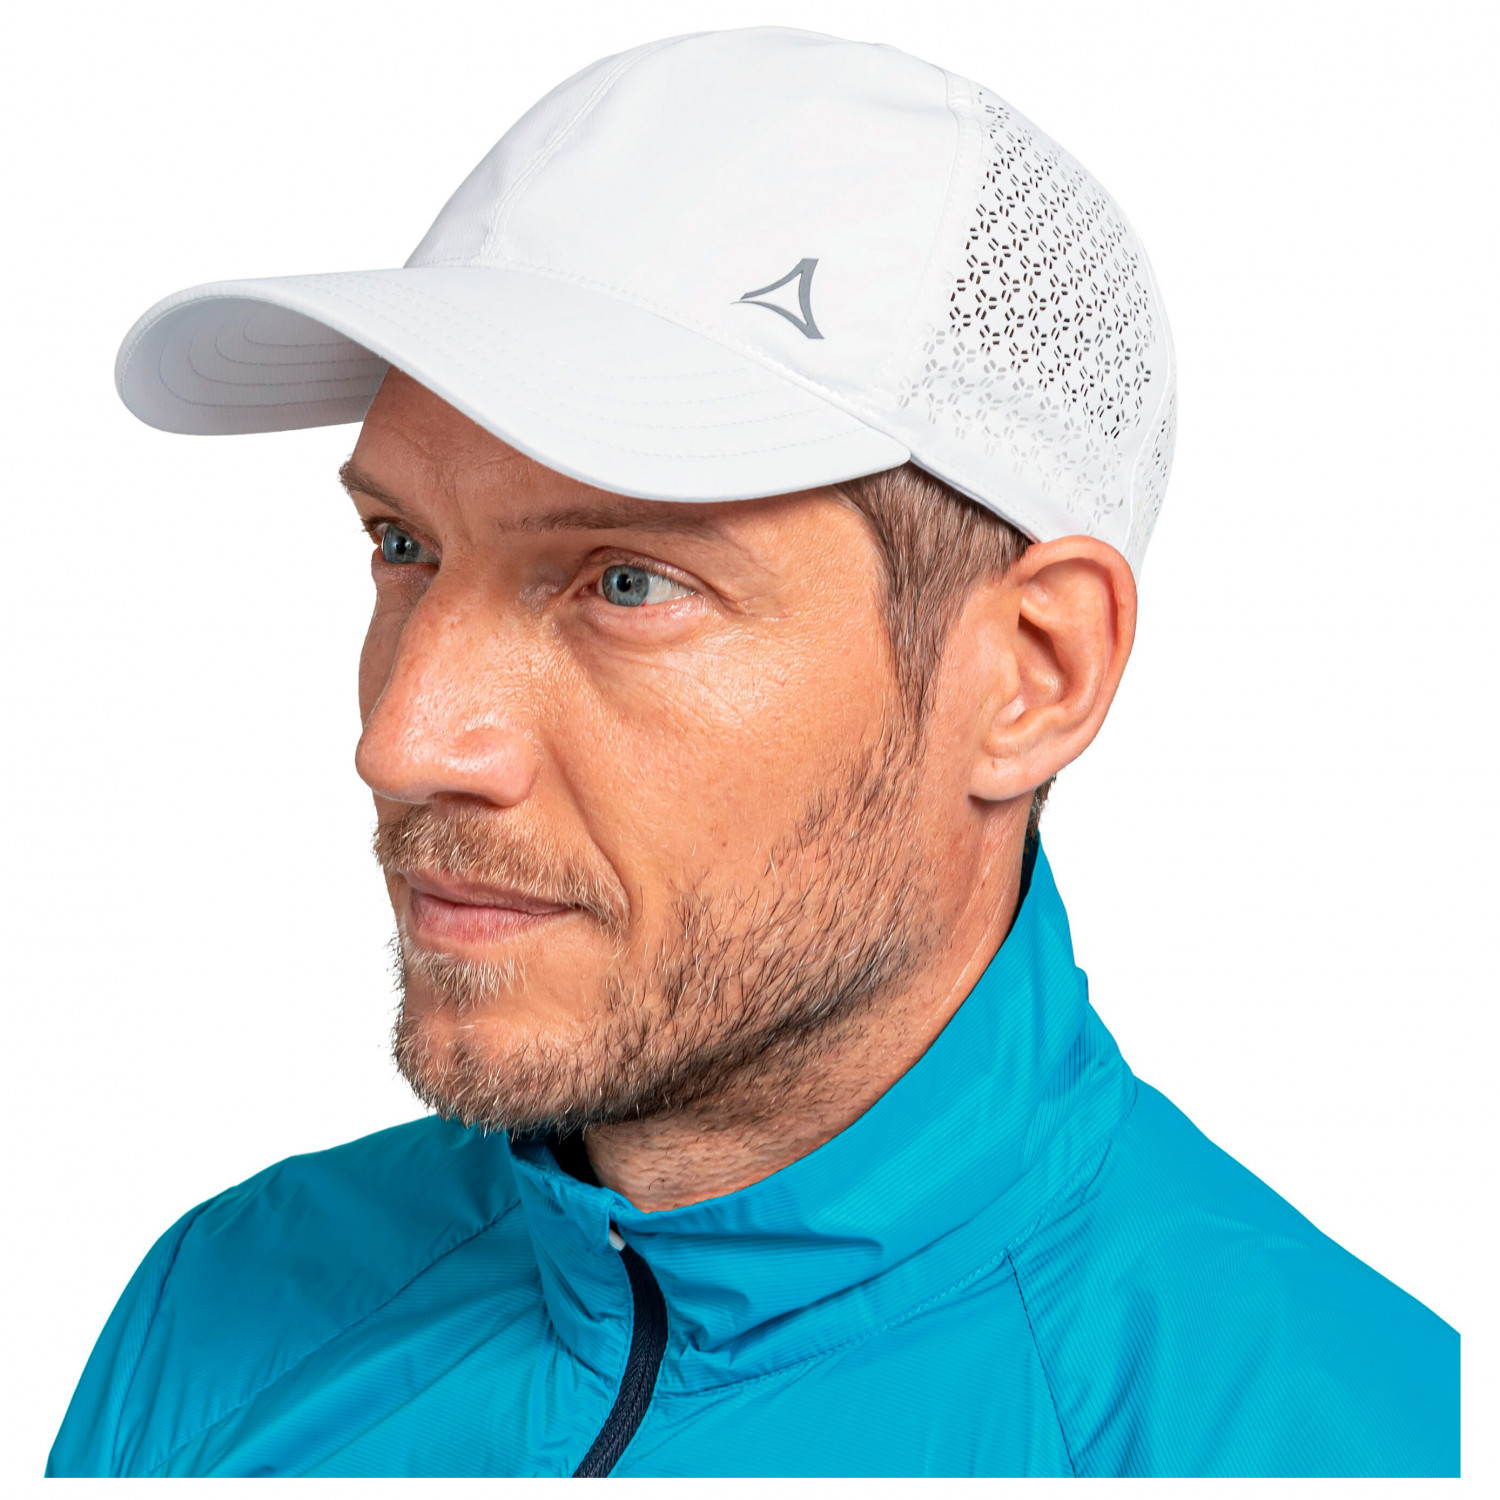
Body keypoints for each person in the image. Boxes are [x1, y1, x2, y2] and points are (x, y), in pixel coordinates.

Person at [47, 25, 1458, 1478]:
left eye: (629, 582)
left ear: (1032, 676)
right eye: (405, 545)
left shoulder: (1332, 1443)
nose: (403, 742)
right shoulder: (227, 1310)